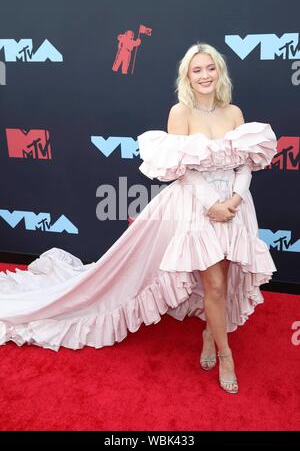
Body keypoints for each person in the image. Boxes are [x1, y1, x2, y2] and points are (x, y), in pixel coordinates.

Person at [0, 43, 277, 395]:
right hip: (198, 207)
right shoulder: (181, 113)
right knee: (215, 285)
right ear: (187, 77)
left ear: (219, 72)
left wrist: (235, 198)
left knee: (225, 279)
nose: (205, 75)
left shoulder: (234, 113)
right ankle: (226, 354)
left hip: (236, 207)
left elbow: (246, 164)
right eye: (197, 70)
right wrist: (212, 205)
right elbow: (183, 171)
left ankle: (210, 333)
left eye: (211, 68)